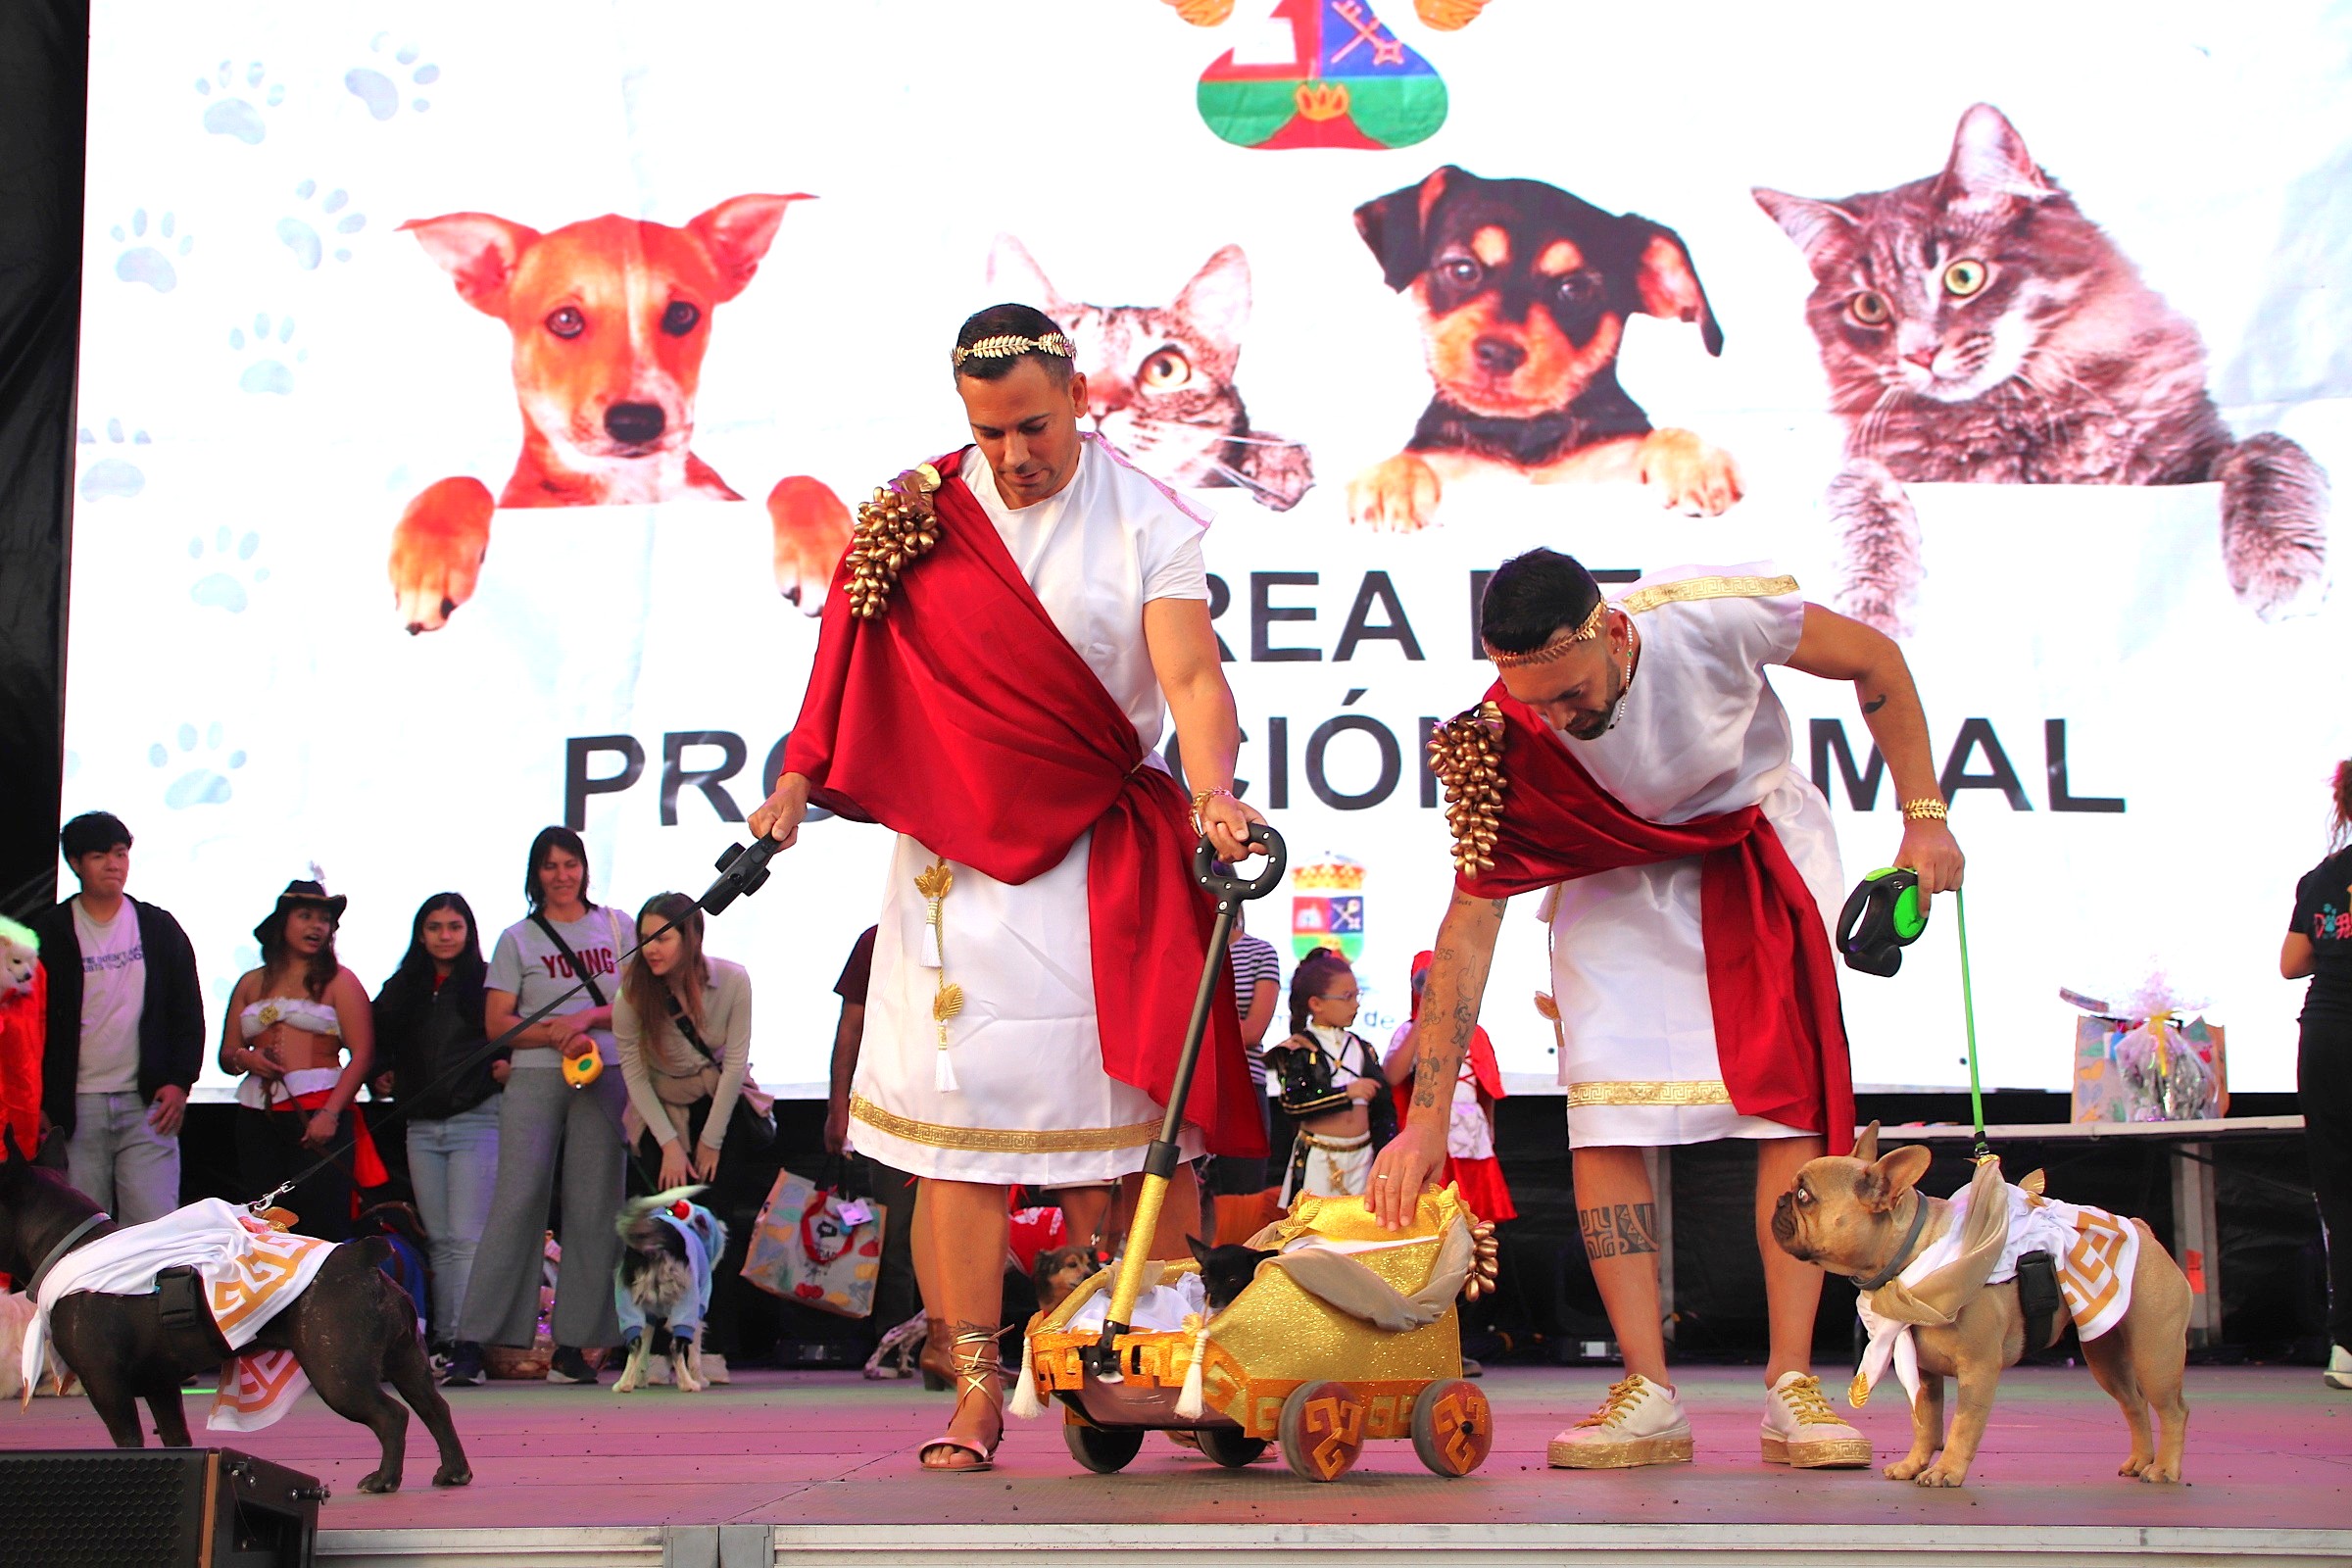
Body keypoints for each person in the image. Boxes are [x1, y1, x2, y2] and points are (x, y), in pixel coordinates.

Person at [750, 304, 1267, 1471]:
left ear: (1079, 396)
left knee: (1138, 1138)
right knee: (961, 1146)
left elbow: (1191, 676)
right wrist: (796, 776)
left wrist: (1214, 791)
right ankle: (977, 1393)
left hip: (1096, 861)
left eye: (1032, 425)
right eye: (989, 432)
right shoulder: (920, 511)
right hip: (956, 870)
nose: (1013, 453)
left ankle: (1165, 1366)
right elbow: (842, 658)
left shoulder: (1148, 520)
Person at [1368, 549, 1964, 1473]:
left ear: (1613, 633)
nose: (1559, 719)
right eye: (1537, 704)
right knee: (1606, 1115)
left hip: (1751, 858)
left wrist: (1924, 814)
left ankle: (1792, 1383)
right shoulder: (1503, 741)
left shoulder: (1712, 616)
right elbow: (1468, 930)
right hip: (1610, 880)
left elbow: (1875, 660)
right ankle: (1646, 1390)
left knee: (1784, 1115)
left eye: (1572, 693)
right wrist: (1426, 1121)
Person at [448, 826, 632, 1388]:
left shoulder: (617, 926)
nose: (562, 875)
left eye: (570, 864)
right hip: (533, 1074)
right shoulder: (516, 938)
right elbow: (497, 1025)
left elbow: (635, 1004)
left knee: (596, 1207)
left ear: (584, 869)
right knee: (516, 1202)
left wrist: (587, 1019)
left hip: (606, 1073)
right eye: (550, 866)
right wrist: (554, 1033)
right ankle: (474, 1343)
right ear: (536, 874)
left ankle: (576, 1347)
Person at [613, 891, 767, 1380]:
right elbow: (634, 1075)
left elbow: (735, 1064)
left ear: (692, 936)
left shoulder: (733, 980)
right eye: (645, 939)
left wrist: (711, 1140)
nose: (652, 948)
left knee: (713, 1230)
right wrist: (669, 1145)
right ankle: (660, 1353)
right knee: (660, 1235)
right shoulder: (631, 994)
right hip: (659, 1115)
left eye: (664, 937)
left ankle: (713, 1348)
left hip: (717, 1108)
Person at [31, 811, 203, 1224]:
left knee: (155, 1228)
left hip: (146, 1104)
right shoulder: (50, 931)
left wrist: (180, 1081)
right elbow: (30, 1025)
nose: (114, 864)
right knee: (82, 1232)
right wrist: (38, 1101)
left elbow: (186, 1010)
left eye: (121, 853)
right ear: (75, 863)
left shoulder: (158, 927)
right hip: (75, 1106)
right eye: (99, 856)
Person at [372, 893, 504, 1355]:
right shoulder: (402, 986)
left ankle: (467, 1344)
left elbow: (510, 1032)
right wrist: (378, 1072)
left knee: (466, 1239)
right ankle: (447, 1341)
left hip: (476, 1119)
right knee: (442, 1241)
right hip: (421, 1126)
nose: (445, 936)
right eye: (434, 927)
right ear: (420, 933)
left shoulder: (487, 982)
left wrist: (506, 1066)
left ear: (469, 932)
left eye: (454, 926)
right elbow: (375, 1038)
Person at [220, 880, 379, 1241]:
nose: (316, 926)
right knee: (264, 1223)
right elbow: (227, 1054)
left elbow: (363, 1054)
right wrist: (248, 1059)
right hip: (258, 1115)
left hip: (318, 1113)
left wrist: (330, 1114)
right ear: (283, 923)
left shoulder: (340, 982)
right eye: (306, 916)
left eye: (324, 919)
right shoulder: (250, 983)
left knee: (322, 1222)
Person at [2284, 760, 2352, 1391]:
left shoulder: (2323, 877)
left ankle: (2347, 1348)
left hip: (2329, 1039)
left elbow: (2292, 961)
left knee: (2340, 1194)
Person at [1383, 949, 1514, 1224]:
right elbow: (1393, 1076)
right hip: (1431, 1128)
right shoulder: (1409, 1032)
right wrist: (1424, 1017)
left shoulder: (1476, 1033)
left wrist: (1489, 1128)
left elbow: (1486, 1088)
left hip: (1471, 1133)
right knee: (1436, 1213)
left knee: (1476, 1213)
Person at [1264, 950, 1394, 1202]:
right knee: (1312, 1224)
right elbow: (1294, 1104)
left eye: (1357, 995)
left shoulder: (1362, 1048)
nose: (1356, 1004)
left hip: (1362, 1160)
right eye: (1347, 997)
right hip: (1319, 1159)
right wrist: (1346, 1094)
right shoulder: (1298, 1049)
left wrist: (1386, 1154)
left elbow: (1383, 1108)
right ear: (1316, 1004)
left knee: (1360, 1225)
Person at [1201, 900, 1282, 1240]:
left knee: (1244, 1198)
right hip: (1195, 1084)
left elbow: (1252, 1032)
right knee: (1189, 1190)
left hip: (1244, 1085)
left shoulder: (1260, 952)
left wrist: (1200, 1029)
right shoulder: (1190, 947)